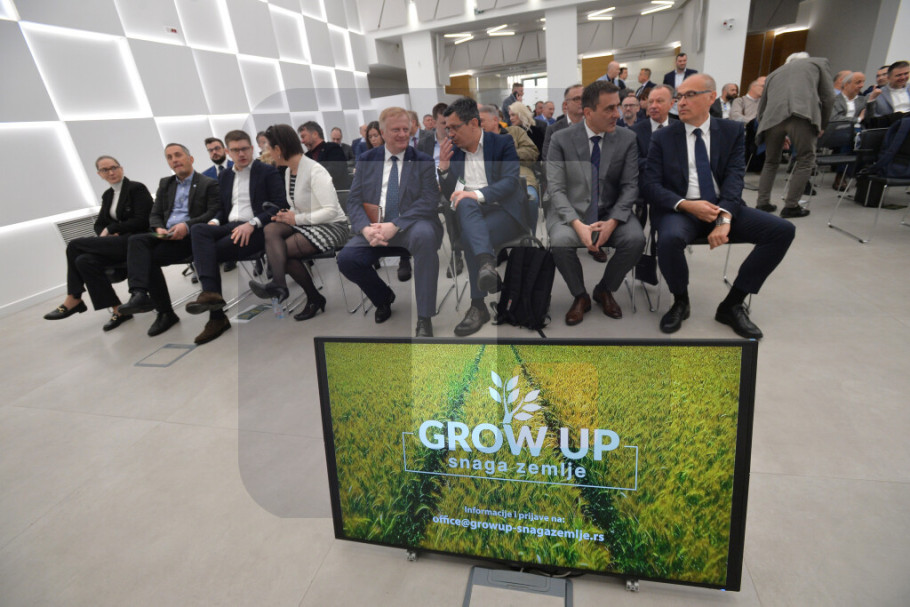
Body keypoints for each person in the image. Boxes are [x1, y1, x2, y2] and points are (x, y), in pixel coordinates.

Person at [644, 74, 795, 339]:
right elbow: (651, 185)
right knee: (668, 238)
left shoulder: (731, 131)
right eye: (679, 96)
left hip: (721, 206)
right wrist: (687, 205)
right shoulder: (663, 137)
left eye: (690, 95)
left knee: (781, 230)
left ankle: (732, 304)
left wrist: (724, 218)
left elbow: (735, 178)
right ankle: (680, 300)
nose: (682, 102)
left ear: (711, 97)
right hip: (682, 209)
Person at [132, 131, 286, 344]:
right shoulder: (226, 176)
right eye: (235, 150)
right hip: (230, 226)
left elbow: (279, 205)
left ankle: (216, 316)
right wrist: (213, 222)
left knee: (207, 252)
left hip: (258, 229)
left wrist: (252, 224)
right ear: (228, 152)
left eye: (244, 149)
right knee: (199, 229)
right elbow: (222, 209)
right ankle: (210, 297)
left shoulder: (266, 171)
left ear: (252, 149)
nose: (241, 154)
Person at [336, 107, 443, 337]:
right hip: (375, 227)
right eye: (396, 130)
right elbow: (354, 200)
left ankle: (424, 317)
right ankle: (383, 298)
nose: (403, 134)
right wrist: (365, 229)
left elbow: (429, 200)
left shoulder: (422, 160)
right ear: (382, 133)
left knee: (425, 237)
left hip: (412, 225)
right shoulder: (367, 160)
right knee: (347, 258)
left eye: (406, 129)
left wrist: (396, 224)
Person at [546, 80, 644, 326]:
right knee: (559, 242)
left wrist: (613, 221)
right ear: (588, 112)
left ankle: (605, 289)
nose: (617, 114)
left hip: (611, 211)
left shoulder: (627, 138)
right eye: (609, 109)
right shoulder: (560, 139)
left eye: (618, 106)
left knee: (635, 240)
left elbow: (630, 186)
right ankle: (580, 295)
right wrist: (576, 223)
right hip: (572, 212)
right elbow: (556, 189)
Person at [439, 97, 526, 336]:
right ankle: (487, 264)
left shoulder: (502, 143)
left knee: (469, 232)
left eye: (454, 127)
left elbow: (510, 182)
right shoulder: (454, 152)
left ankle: (478, 306)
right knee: (465, 204)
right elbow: (450, 194)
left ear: (474, 123)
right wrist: (443, 169)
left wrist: (475, 194)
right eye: (447, 128)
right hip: (471, 214)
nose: (450, 134)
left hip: (503, 211)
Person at [116, 144, 220, 337]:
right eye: (170, 157)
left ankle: (164, 312)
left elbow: (212, 212)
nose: (174, 160)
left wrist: (186, 225)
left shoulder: (208, 183)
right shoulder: (165, 184)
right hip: (166, 235)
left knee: (148, 258)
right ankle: (139, 294)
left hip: (191, 237)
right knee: (136, 240)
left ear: (191, 159)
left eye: (178, 155)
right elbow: (155, 213)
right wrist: (158, 228)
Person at [249, 124, 350, 320]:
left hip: (333, 226)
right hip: (310, 224)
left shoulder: (315, 170)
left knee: (283, 251)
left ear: (279, 149)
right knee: (271, 229)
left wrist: (296, 218)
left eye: (269, 148)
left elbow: (330, 211)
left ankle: (310, 296)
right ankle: (281, 285)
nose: (268, 153)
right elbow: (299, 205)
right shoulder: (289, 171)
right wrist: (288, 215)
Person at [44, 156, 153, 331]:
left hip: (137, 241)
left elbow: (142, 221)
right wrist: (106, 232)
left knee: (74, 245)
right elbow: (99, 223)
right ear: (99, 174)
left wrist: (113, 228)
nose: (111, 172)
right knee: (83, 261)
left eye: (114, 167)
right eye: (105, 170)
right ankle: (118, 310)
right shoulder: (108, 195)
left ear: (121, 168)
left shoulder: (136, 188)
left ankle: (74, 298)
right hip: (117, 243)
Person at [756, 52, 835, 218]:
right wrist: (822, 124)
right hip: (801, 114)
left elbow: (763, 104)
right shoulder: (819, 63)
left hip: (772, 118)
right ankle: (791, 206)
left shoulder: (774, 73)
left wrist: (764, 127)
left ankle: (762, 203)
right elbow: (828, 97)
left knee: (770, 161)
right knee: (805, 159)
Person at [298, 121, 351, 189]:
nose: (302, 141)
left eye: (303, 137)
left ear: (315, 134)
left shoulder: (333, 149)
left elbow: (335, 172)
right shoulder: (306, 157)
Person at [542, 84, 584, 162]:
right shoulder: (553, 130)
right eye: (577, 99)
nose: (581, 102)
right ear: (565, 104)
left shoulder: (595, 127)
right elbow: (548, 160)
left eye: (584, 98)